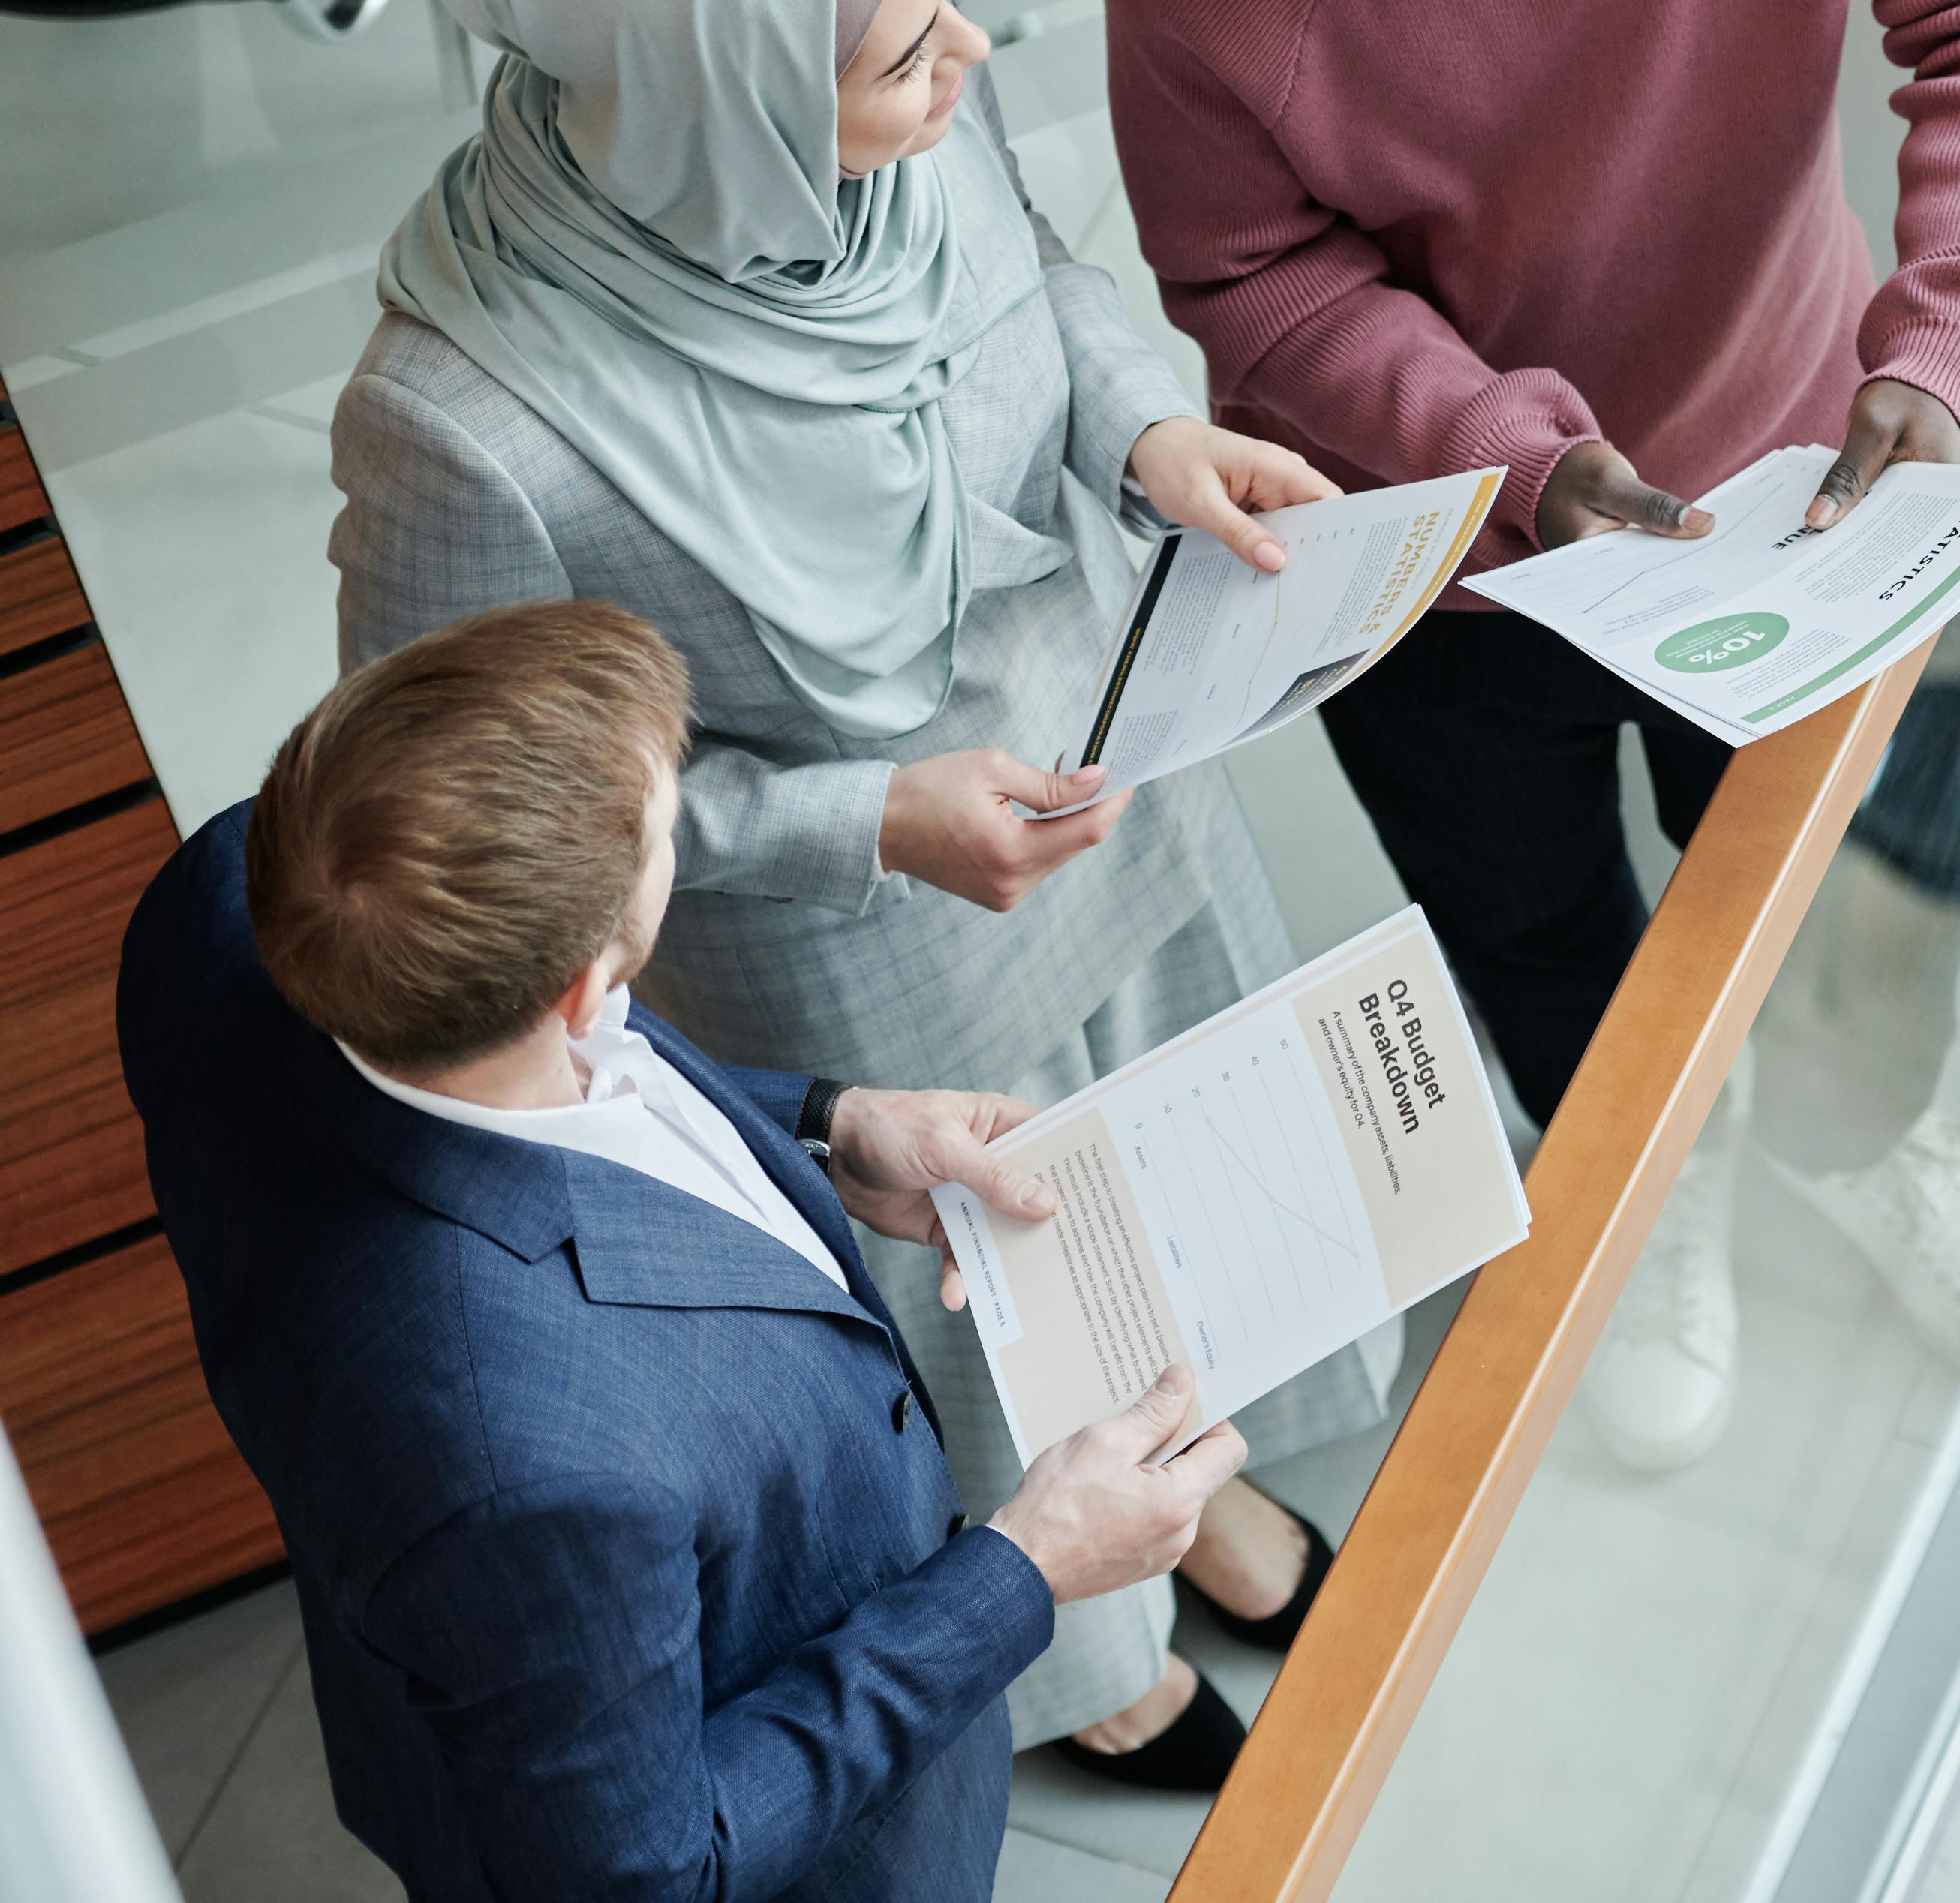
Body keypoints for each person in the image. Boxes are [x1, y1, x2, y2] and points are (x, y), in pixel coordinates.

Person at [1105, 0, 1960, 1470]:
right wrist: (1513, 449)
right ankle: (1660, 1182)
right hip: (1452, 572)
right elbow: (1249, 280)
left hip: (1811, 479)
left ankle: (1859, 1141)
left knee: (1882, 877)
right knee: (1545, 932)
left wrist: (1942, 359)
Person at [325, 0, 1340, 1781]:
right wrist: (864, 817)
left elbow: (1040, 274)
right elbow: (455, 831)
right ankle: (1089, 1662)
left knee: (1163, 1172)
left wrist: (1146, 434)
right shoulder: (471, 426)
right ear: (715, 91)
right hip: (875, 957)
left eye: (946, 9)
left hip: (1108, 783)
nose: (967, 60)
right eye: (900, 54)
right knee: (993, 1308)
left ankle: (1189, 1482)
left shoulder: (898, 139)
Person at [119, 600, 1250, 1901]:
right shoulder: (523, 1469)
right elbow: (648, 1875)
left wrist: (830, 1127)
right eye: (668, 835)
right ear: (584, 987)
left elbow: (557, 1076)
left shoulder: (232, 892)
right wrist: (1026, 1569)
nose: (678, 836)